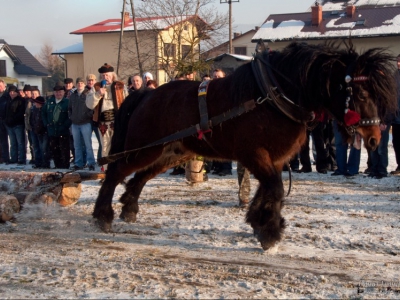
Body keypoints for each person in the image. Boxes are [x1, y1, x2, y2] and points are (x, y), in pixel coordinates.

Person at [86, 63, 128, 170]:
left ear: (112, 75)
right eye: (103, 75)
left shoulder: (120, 86)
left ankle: (118, 171)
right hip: (103, 122)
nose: (105, 77)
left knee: (118, 146)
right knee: (105, 147)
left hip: (117, 121)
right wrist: (98, 94)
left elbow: (127, 102)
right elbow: (89, 104)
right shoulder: (96, 87)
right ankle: (106, 171)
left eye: (107, 75)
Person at [42, 82, 71, 169]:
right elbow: (43, 113)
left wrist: (65, 126)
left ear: (63, 92)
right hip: (52, 130)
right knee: (54, 149)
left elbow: (70, 116)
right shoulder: (49, 102)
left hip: (63, 130)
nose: (58, 94)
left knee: (64, 149)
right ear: (54, 93)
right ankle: (57, 165)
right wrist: (46, 124)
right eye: (56, 92)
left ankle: (65, 166)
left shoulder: (67, 102)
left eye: (60, 92)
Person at [69, 77, 96, 171]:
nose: (80, 84)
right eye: (78, 83)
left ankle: (91, 163)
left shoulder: (88, 94)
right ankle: (78, 163)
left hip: (85, 123)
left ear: (84, 84)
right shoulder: (73, 95)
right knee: (77, 145)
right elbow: (69, 108)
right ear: (76, 84)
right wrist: (71, 117)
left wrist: (87, 116)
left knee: (88, 145)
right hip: (75, 124)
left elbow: (92, 108)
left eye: (81, 83)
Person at [211, 69, 232, 176]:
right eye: (215, 76)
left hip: (227, 120)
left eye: (219, 76)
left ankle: (226, 168)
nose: (216, 78)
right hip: (215, 121)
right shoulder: (211, 89)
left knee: (227, 145)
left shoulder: (228, 88)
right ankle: (218, 167)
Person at [4, 85, 26, 165]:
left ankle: (22, 159)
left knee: (20, 143)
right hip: (9, 125)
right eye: (10, 92)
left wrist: (13, 120)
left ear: (16, 92)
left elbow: (20, 113)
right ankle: (14, 158)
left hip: (18, 124)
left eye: (13, 92)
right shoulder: (8, 100)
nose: (12, 93)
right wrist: (6, 121)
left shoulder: (20, 100)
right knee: (13, 143)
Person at [29, 96, 50, 169]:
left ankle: (45, 163)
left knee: (44, 148)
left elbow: (44, 121)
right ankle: (38, 162)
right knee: (37, 147)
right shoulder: (34, 110)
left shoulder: (44, 109)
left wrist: (44, 128)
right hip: (37, 131)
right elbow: (32, 119)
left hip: (44, 131)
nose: (35, 104)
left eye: (36, 103)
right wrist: (34, 127)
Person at [86, 73, 102, 161]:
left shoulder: (98, 89)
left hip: (96, 119)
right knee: (87, 143)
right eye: (89, 80)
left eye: (92, 80)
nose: (90, 82)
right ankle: (89, 161)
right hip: (86, 120)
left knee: (100, 141)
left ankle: (100, 159)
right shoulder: (84, 91)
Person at [390, 54, 400, 175]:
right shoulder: (394, 76)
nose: (398, 64)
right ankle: (399, 165)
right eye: (397, 61)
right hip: (396, 117)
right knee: (397, 143)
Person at [0, 79, 10, 163]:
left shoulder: (7, 95)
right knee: (2, 140)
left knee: (11, 141)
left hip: (6, 120)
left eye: (0, 86)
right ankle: (2, 157)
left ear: (4, 86)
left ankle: (6, 157)